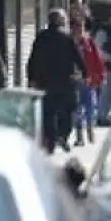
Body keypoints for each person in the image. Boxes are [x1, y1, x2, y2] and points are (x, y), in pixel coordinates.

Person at [26, 11, 84, 153]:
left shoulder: (41, 37)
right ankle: (63, 135)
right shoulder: (67, 37)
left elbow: (32, 59)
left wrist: (31, 78)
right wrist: (85, 73)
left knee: (48, 112)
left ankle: (50, 141)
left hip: (44, 82)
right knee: (68, 109)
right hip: (65, 81)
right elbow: (77, 56)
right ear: (60, 21)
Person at [72, 21, 106, 146]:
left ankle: (90, 131)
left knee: (90, 106)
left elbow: (98, 58)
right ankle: (79, 136)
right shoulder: (71, 44)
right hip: (75, 80)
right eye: (77, 29)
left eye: (81, 29)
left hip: (89, 80)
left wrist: (101, 74)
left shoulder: (89, 43)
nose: (79, 32)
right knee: (78, 109)